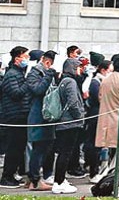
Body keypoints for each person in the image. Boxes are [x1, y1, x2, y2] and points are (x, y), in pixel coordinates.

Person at [52, 58, 86, 194]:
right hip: (70, 123)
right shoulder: (70, 82)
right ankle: (59, 182)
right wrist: (79, 116)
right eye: (78, 67)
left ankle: (60, 179)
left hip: (65, 122)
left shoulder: (64, 81)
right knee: (65, 153)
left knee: (64, 152)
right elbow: (73, 102)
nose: (80, 70)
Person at [0, 46, 31, 189]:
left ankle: (12, 175)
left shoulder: (19, 73)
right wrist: (27, 82)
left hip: (21, 114)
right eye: (26, 56)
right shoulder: (12, 74)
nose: (27, 59)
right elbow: (16, 93)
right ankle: (7, 177)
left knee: (18, 148)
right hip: (14, 116)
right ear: (17, 58)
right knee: (13, 148)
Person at [26, 50, 57, 191]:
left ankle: (33, 179)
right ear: (47, 61)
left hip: (46, 116)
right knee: (38, 148)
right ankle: (34, 180)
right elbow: (38, 90)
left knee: (44, 147)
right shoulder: (34, 73)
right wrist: (49, 74)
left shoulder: (43, 73)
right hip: (38, 116)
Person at [85, 60, 112, 183]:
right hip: (96, 116)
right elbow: (99, 99)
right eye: (110, 71)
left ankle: (100, 169)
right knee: (95, 144)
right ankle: (93, 171)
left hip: (103, 115)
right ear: (103, 70)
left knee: (101, 145)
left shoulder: (103, 82)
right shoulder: (96, 83)